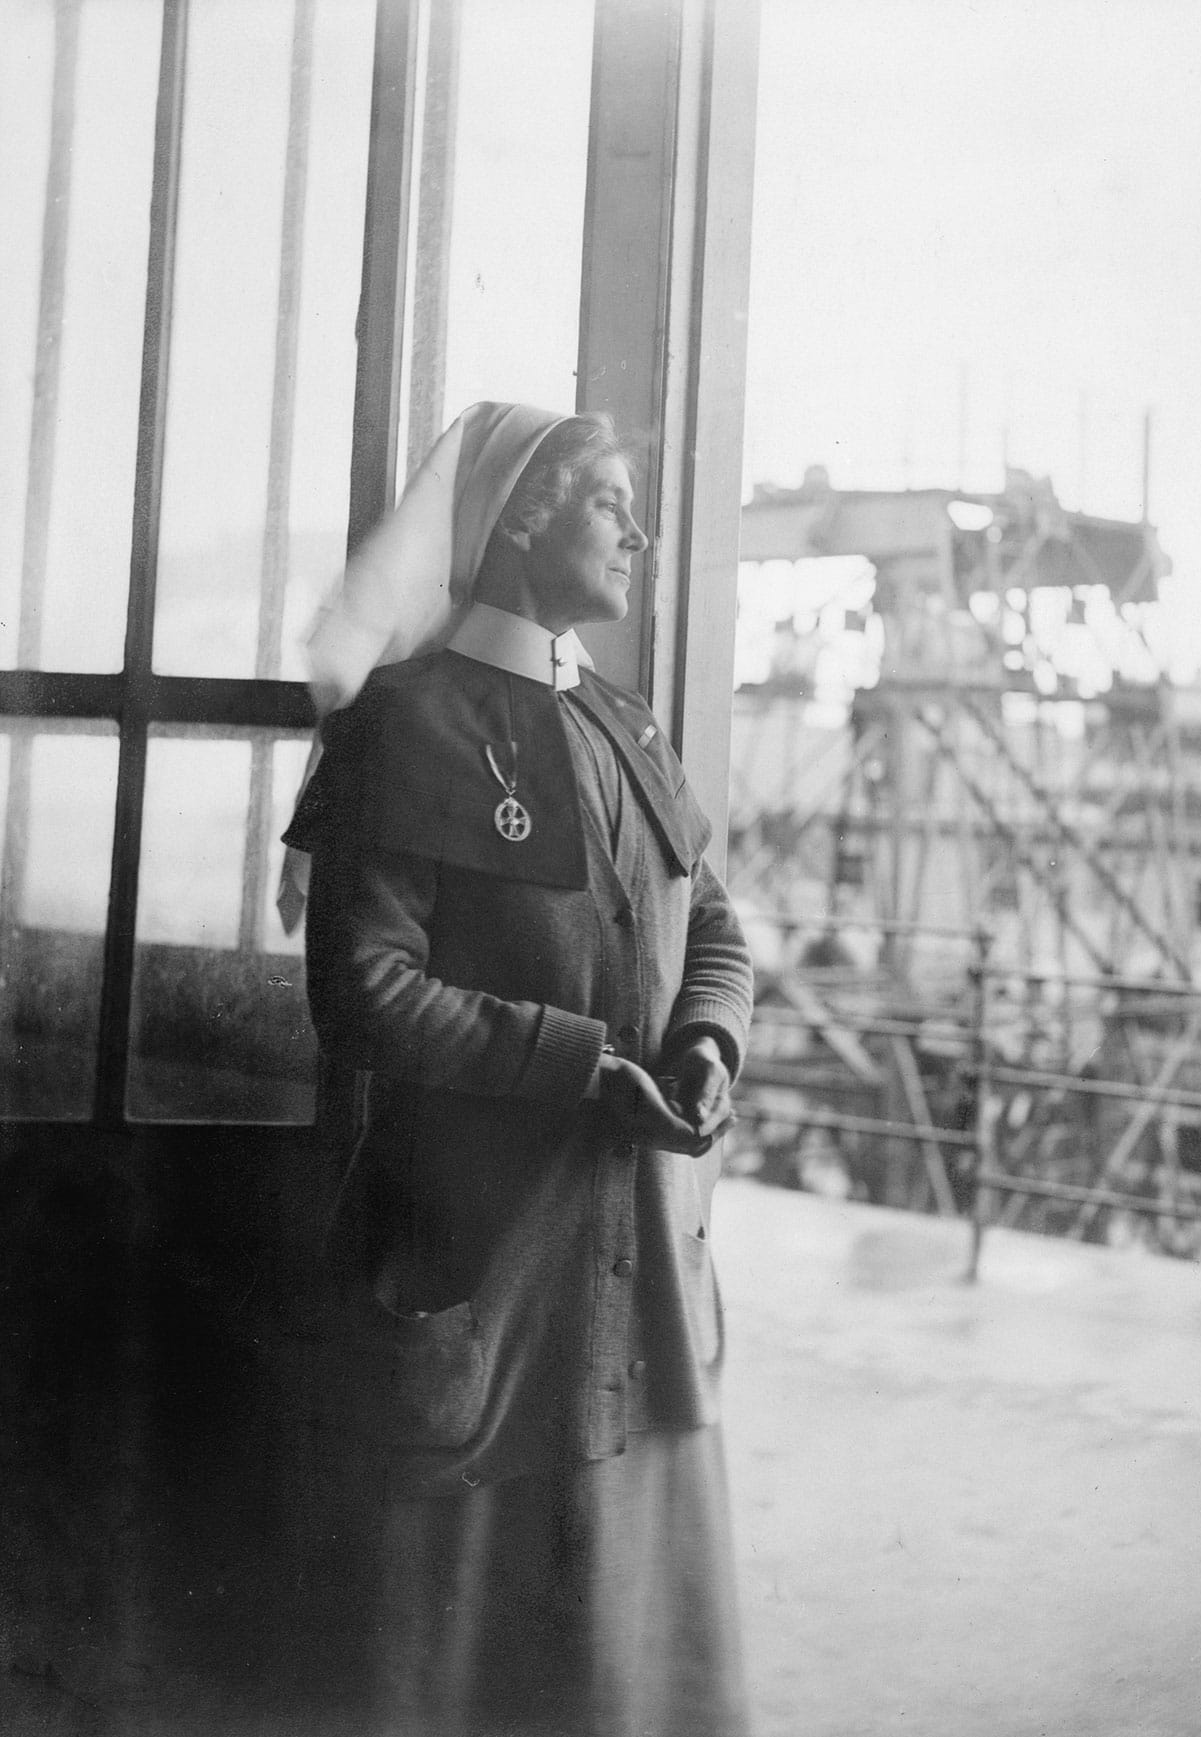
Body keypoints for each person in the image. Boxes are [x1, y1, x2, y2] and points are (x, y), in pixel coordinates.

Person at [280, 402, 754, 1736]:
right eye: (611, 502)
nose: (639, 532)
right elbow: (362, 987)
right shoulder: (404, 724)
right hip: (487, 1254)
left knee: (634, 1657)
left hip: (645, 1264)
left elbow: (711, 918)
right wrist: (584, 1063)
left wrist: (708, 1036)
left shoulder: (625, 723)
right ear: (524, 519)